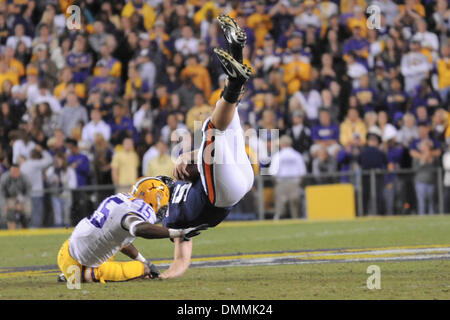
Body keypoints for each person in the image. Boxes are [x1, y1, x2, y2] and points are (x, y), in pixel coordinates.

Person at [158, 15, 254, 279]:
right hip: (222, 195)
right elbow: (180, 261)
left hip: (236, 179)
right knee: (211, 128)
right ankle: (235, 81)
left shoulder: (172, 187)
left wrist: (186, 157)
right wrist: (163, 275)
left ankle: (236, 51)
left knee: (223, 115)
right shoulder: (172, 222)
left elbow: (197, 162)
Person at [56, 175, 208, 284]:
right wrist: (179, 232)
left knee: (113, 249)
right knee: (143, 270)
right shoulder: (139, 210)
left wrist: (144, 260)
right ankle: (80, 275)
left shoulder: (121, 199)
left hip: (66, 251)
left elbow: (120, 240)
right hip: (78, 265)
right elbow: (139, 229)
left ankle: (72, 272)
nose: (163, 206)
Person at [269, 135, 306, 220]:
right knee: (294, 208)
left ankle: (278, 222)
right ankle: (295, 221)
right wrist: (297, 182)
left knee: (280, 206)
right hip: (294, 183)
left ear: (281, 144)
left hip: (281, 183)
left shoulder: (278, 155)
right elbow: (302, 172)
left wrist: (276, 183)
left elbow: (273, 172)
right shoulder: (297, 155)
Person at [19, 146, 53, 228]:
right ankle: (35, 228)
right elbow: (49, 160)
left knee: (29, 212)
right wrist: (43, 150)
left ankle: (28, 227)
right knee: (37, 212)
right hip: (37, 193)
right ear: (37, 157)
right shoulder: (36, 163)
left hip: (26, 193)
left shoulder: (23, 165)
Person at [0, 164, 32, 229]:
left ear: (19, 171)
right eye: (12, 171)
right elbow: (1, 193)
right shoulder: (5, 177)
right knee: (6, 213)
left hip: (22, 198)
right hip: (8, 198)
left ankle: (25, 230)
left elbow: (28, 192)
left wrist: (21, 203)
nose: (13, 173)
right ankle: (9, 231)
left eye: (15, 171)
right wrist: (5, 204)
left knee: (27, 210)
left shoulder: (24, 177)